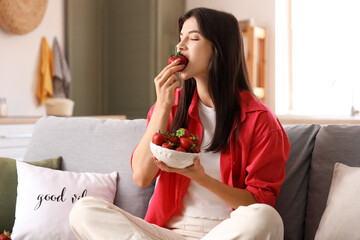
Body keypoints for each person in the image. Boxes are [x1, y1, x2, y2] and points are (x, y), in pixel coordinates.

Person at [69, 7, 290, 240]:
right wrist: (163, 106)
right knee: (84, 211)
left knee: (266, 218)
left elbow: (258, 202)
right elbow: (142, 176)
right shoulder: (171, 107)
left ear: (219, 49)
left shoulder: (261, 121)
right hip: (166, 233)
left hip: (225, 233)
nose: (180, 46)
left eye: (193, 38)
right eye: (180, 38)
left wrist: (200, 176)